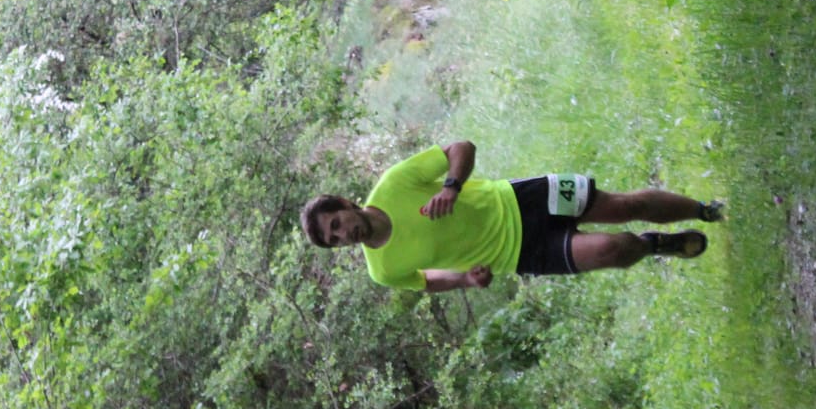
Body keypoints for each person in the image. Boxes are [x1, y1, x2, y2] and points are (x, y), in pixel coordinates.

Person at [301, 140, 722, 292]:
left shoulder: (393, 184)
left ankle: (704, 210)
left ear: (344, 203)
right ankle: (654, 245)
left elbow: (460, 148)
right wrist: (465, 278)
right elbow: (426, 282)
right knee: (616, 247)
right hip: (521, 253)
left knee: (626, 207)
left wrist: (452, 185)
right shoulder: (383, 269)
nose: (344, 236)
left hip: (523, 200)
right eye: (335, 241)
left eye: (336, 224)